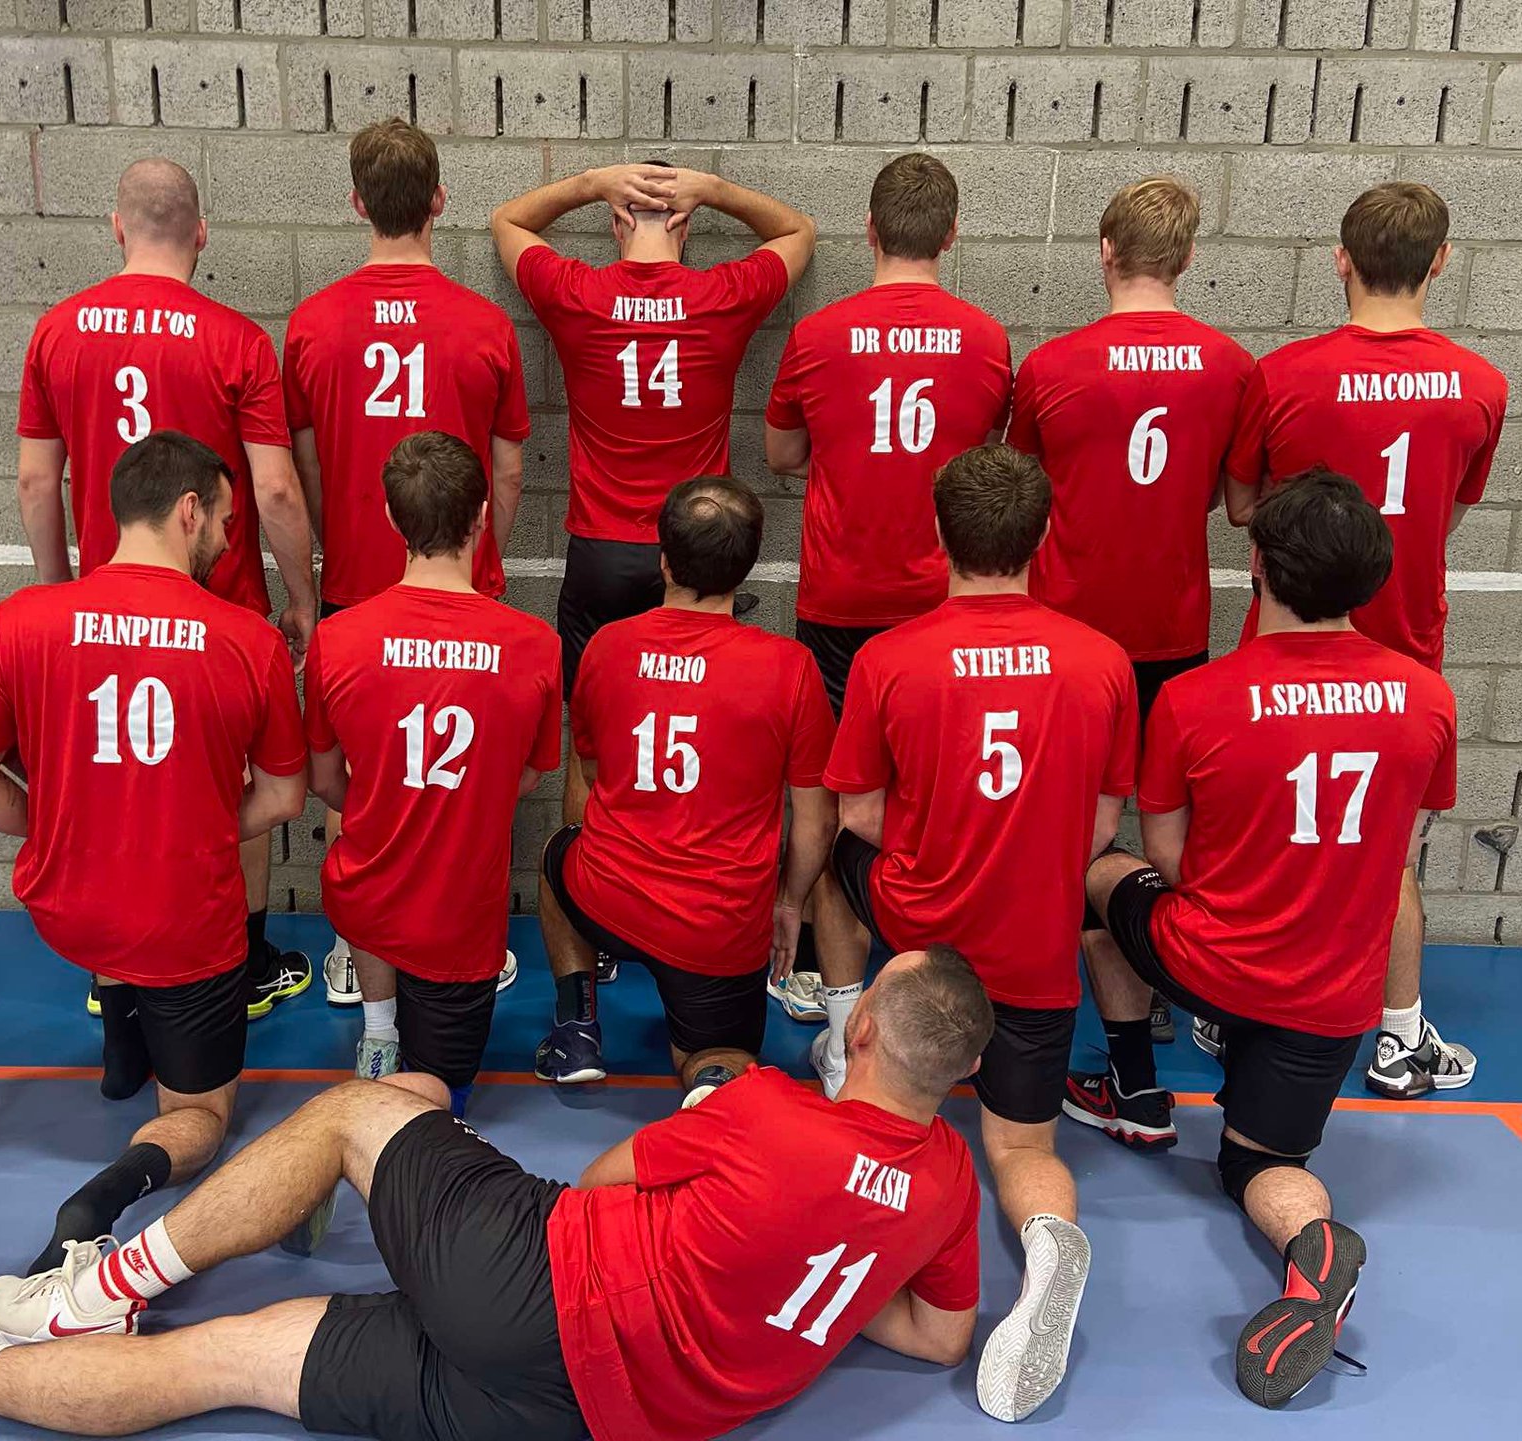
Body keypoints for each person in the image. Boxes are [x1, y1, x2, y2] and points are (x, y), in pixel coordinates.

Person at [0, 948, 991, 1441]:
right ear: (964, 1071)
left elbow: (600, 1178)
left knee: (358, 1111)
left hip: (540, 1280)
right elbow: (941, 1335)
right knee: (225, 1362)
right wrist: (823, 1275)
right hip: (589, 1419)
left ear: (863, 1030)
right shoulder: (944, 1188)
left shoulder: (770, 1109)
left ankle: (94, 1292)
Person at [1066, 470, 1456, 1409]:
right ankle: (1314, 1248)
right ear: (1372, 579)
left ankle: (1135, 1088)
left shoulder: (1195, 697)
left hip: (1211, 962)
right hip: (1332, 996)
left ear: (1256, 564)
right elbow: (1398, 849)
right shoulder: (1427, 698)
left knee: (1100, 872)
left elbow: (1171, 859)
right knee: (1259, 1165)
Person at [819, 443, 1137, 1422]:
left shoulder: (888, 657)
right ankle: (1049, 1244)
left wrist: (938, 838)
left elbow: (859, 812)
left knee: (834, 864)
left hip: (922, 941)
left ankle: (843, 1037)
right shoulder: (1104, 661)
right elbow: (1102, 824)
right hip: (1034, 948)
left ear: (937, 535)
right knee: (1019, 1144)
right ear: (1042, 537)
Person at [0, 431, 306, 1277]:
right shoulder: (245, 638)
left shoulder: (20, 619)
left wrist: (56, 825)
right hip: (182, 924)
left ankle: (121, 1039)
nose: (229, 539)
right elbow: (285, 798)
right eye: (226, 520)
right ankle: (103, 1195)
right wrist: (193, 825)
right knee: (200, 1118)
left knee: (119, 910)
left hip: (67, 909)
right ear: (189, 511)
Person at [15, 156, 317, 1029]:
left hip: (101, 603)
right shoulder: (235, 339)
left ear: (117, 228)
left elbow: (36, 482)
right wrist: (301, 594)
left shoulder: (57, 331)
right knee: (237, 781)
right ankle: (244, 961)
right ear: (202, 235)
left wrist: (56, 595)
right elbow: (276, 489)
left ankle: (115, 970)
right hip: (219, 608)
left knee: (112, 780)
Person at [1223, 181, 1505, 1099]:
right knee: (1386, 851)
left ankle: (1228, 1009)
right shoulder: (1481, 385)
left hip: (1280, 642)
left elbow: (1241, 509)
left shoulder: (1281, 374)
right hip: (1403, 650)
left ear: (1340, 260)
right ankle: (1399, 1036)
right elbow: (1446, 513)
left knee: (1260, 830)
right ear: (1440, 262)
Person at [284, 118, 532, 1011]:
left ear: (357, 204)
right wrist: (476, 552)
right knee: (474, 767)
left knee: (355, 769)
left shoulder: (312, 325)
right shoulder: (486, 323)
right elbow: (508, 470)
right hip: (465, 582)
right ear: (439, 201)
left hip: (357, 582)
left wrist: (336, 547)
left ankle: (354, 949)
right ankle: (469, 937)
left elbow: (305, 467)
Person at [764, 152, 1013, 1027]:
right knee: (939, 790)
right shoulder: (987, 340)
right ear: (950, 235)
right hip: (943, 607)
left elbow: (782, 455)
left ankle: (833, 995)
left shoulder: (818, 334)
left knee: (838, 797)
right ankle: (938, 973)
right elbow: (991, 471)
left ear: (869, 231)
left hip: (842, 601)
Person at [1004, 175, 1253, 1047]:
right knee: (1165, 817)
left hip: (1065, 633)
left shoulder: (1049, 366)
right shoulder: (1232, 367)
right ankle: (1165, 981)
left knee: (1063, 803)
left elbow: (1018, 495)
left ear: (1105, 253)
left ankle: (1040, 962)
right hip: (1169, 629)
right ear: (1187, 258)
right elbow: (1238, 503)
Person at [490, 161, 815, 825]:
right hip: (698, 553)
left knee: (587, 742)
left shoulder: (578, 293)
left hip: (602, 553)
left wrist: (591, 183)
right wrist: (716, 189)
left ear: (615, 223)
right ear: (686, 226)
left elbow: (506, 221)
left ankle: (582, 873)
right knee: (697, 725)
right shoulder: (720, 296)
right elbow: (800, 232)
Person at [532, 476, 837, 1103]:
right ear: (747, 567)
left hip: (609, 896)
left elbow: (589, 773)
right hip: (719, 929)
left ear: (664, 559)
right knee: (716, 1059)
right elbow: (817, 822)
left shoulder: (605, 648)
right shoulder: (791, 669)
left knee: (556, 856)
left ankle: (576, 1029)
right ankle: (712, 1081)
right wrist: (789, 904)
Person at [305, 432, 560, 1105]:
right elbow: (530, 776)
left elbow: (323, 778)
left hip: (368, 887)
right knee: (438, 1100)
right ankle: (382, 1031)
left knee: (370, 883)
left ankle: (377, 1030)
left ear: (393, 519)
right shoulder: (536, 645)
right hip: (463, 913)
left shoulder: (337, 638)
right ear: (482, 516)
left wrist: (385, 802)